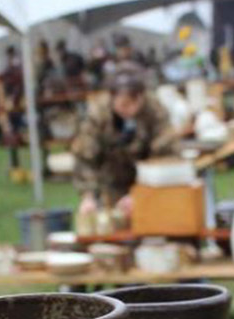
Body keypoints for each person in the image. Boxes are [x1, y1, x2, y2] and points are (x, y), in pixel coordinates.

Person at [71, 64, 177, 216]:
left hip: (148, 184)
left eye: (135, 102)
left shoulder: (155, 111)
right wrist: (88, 197)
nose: (130, 110)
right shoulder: (98, 114)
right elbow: (85, 157)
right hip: (110, 182)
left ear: (142, 96)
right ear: (112, 97)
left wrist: (139, 193)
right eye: (124, 104)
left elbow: (166, 154)